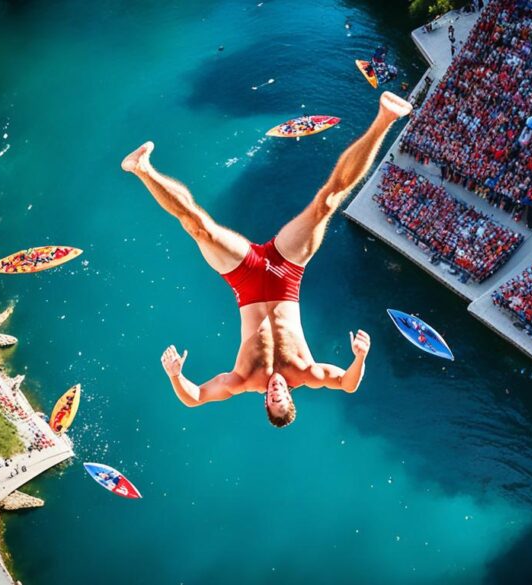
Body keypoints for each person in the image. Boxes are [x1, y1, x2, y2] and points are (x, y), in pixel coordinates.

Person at [121, 92, 413, 428]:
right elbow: (348, 384)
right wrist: (359, 357)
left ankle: (141, 168)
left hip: (244, 279)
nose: (276, 391)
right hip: (287, 276)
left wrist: (175, 376)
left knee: (199, 227)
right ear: (290, 396)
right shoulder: (306, 371)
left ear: (265, 403)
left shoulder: (243, 380)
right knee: (326, 202)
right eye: (283, 397)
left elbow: (195, 398)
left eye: (272, 399)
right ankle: (385, 119)